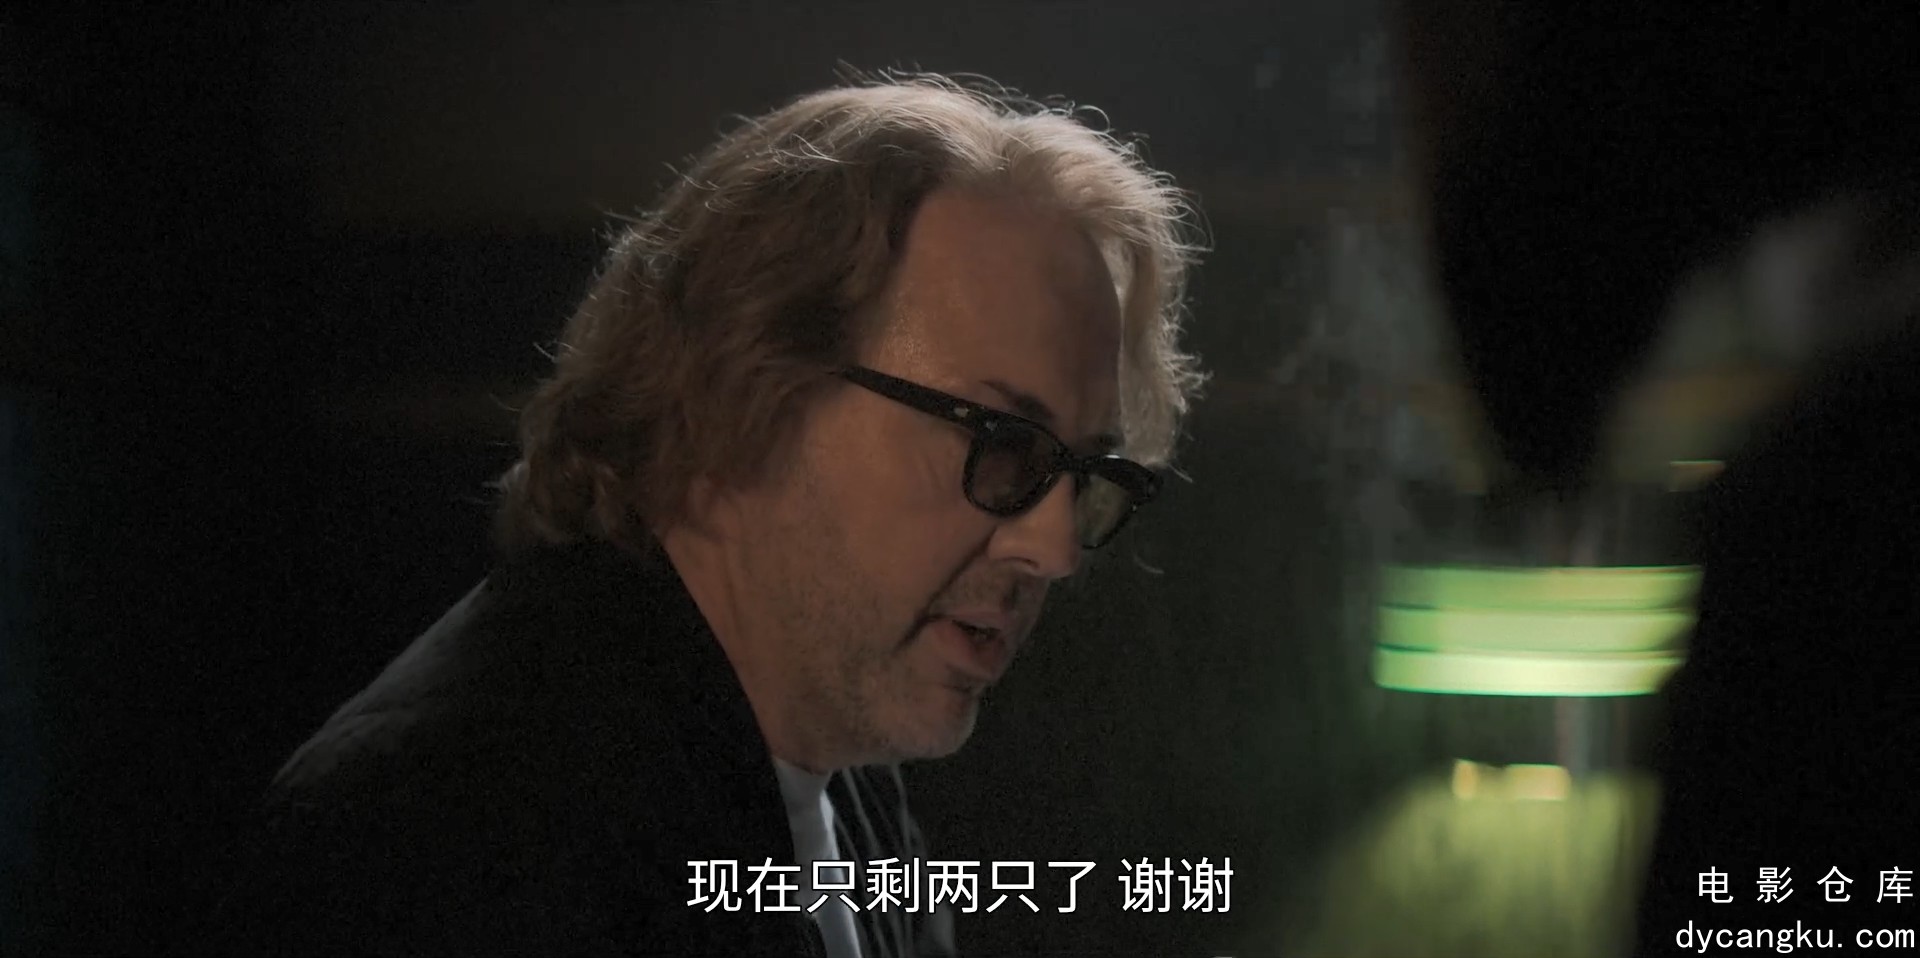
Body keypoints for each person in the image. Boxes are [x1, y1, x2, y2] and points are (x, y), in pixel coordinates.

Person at [206, 72, 1205, 957]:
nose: (1054, 548)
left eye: (1085, 472)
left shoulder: (840, 767)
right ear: (749, 392)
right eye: (1003, 443)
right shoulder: (446, 830)